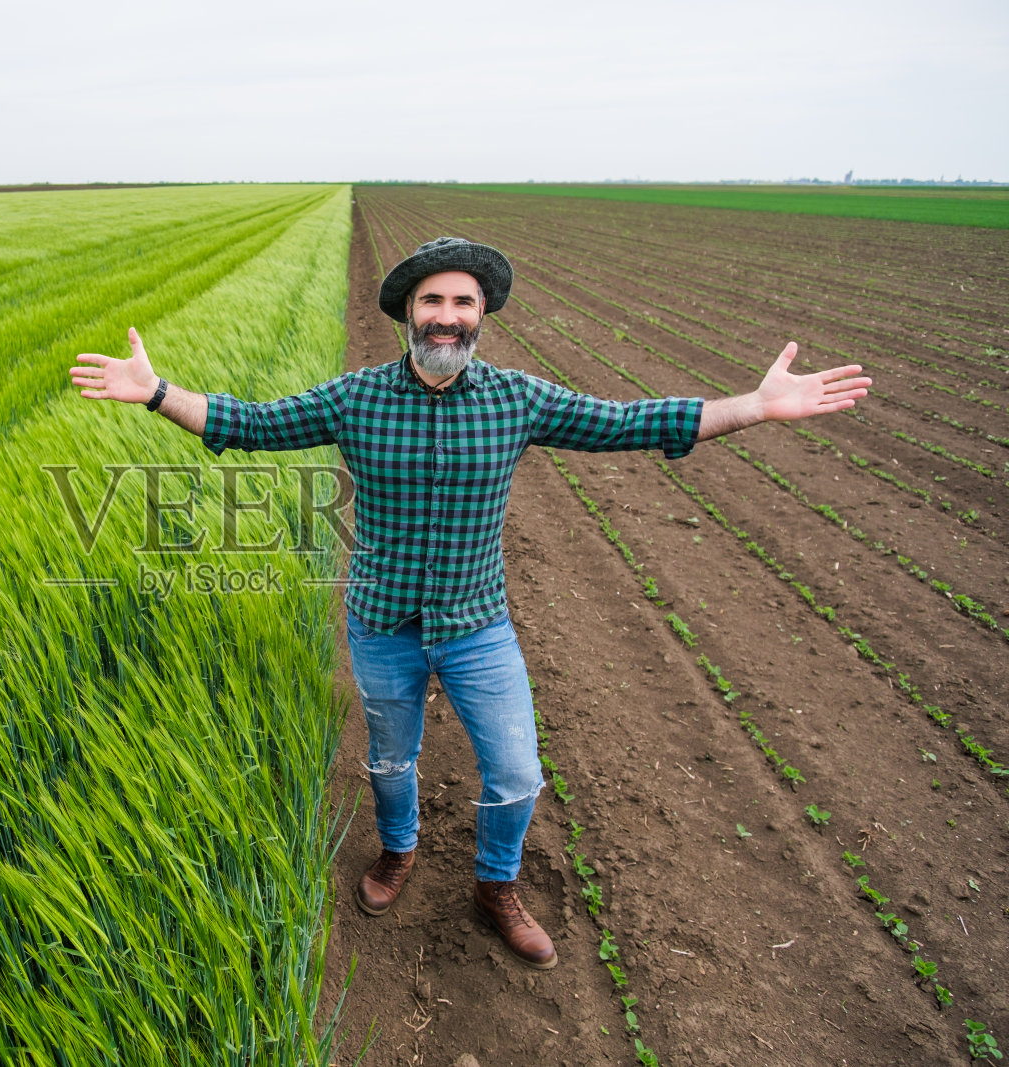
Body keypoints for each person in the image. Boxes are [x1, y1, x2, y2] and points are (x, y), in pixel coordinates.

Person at [67, 236, 871, 970]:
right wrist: (155, 391)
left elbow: (632, 422)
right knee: (389, 760)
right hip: (382, 623)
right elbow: (248, 422)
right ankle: (398, 851)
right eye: (432, 301)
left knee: (518, 774)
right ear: (407, 315)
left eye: (463, 303)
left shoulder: (516, 398)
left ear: (482, 316)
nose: (446, 317)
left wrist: (755, 406)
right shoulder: (355, 398)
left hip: (478, 625)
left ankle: (496, 887)